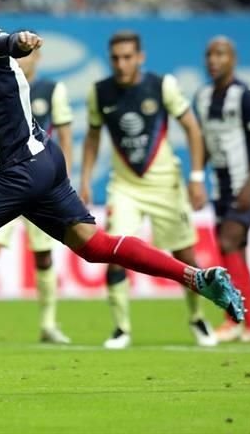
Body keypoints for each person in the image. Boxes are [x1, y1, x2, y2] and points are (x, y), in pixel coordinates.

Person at [0, 0, 243, 382]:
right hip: (42, 162)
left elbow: (1, 43)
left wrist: (20, 42)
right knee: (94, 246)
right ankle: (197, 278)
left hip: (19, 169)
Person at [80, 30, 216, 349]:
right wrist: (85, 178)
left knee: (185, 254)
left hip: (166, 185)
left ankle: (197, 318)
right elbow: (92, 137)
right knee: (114, 252)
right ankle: (121, 328)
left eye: (128, 57)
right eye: (115, 58)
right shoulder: (99, 93)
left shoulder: (162, 86)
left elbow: (193, 129)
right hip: (124, 187)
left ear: (140, 58)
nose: (121, 64)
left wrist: (197, 177)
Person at [0, 45, 73, 345]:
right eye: (16, 56)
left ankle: (49, 324)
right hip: (4, 182)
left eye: (26, 56)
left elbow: (64, 137)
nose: (21, 61)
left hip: (41, 184)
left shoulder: (51, 91)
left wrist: (65, 178)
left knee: (44, 255)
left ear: (37, 58)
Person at [194, 36, 250, 343]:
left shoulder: (248, 97)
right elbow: (202, 142)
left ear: (233, 59)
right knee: (234, 250)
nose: (214, 60)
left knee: (228, 242)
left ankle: (234, 319)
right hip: (221, 184)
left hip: (248, 184)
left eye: (221, 54)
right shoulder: (202, 97)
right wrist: (198, 178)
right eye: (210, 54)